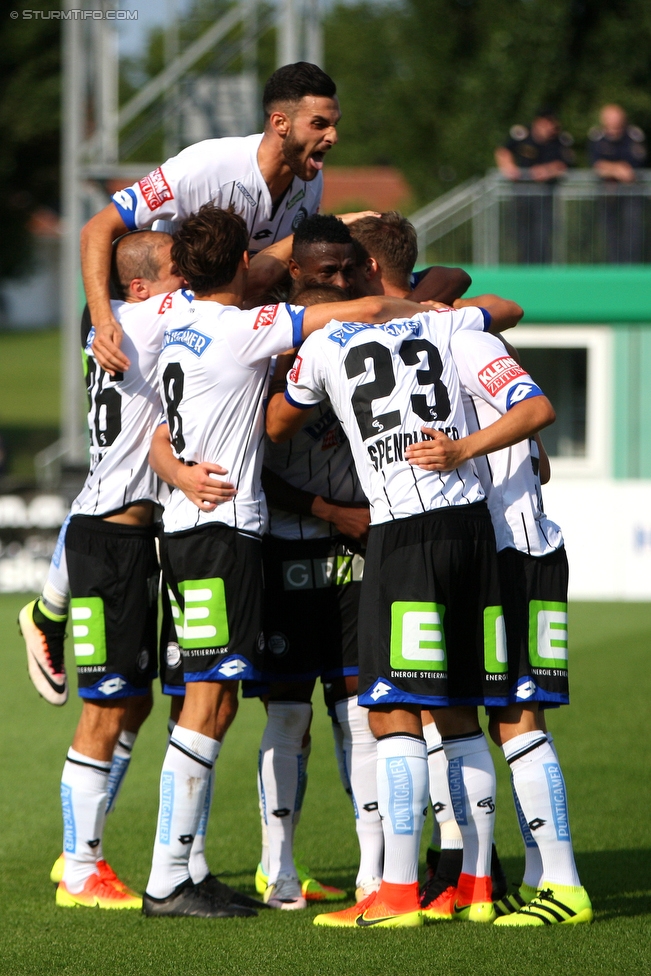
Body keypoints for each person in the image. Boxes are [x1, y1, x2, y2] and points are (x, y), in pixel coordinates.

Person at [143, 203, 428, 919]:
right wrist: (423, 312)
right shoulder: (243, 329)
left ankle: (178, 872)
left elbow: (154, 422)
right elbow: (350, 310)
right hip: (221, 534)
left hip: (191, 527)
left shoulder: (172, 321)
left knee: (217, 699)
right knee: (210, 702)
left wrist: (173, 472)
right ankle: (169, 879)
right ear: (245, 263)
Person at [266, 293, 559, 929]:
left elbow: (276, 426)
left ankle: (395, 895)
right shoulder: (446, 321)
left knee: (389, 708)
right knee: (458, 708)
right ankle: (477, 887)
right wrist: (462, 449)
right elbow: (508, 315)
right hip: (473, 528)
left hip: (404, 534)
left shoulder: (322, 345)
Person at [406, 337, 593, 927]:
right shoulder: (421, 339)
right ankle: (541, 879)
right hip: (484, 552)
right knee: (494, 715)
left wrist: (462, 450)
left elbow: (536, 409)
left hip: (518, 551)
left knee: (517, 715)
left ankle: (564, 885)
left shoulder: (463, 331)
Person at [43, 230, 184, 909]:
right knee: (105, 705)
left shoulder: (113, 321)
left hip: (122, 536)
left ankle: (80, 845)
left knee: (133, 699)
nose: (186, 282)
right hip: (108, 539)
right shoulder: (146, 319)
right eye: (175, 272)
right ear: (138, 289)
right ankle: (80, 868)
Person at [81, 62, 341, 375]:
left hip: (233, 342)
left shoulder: (312, 182)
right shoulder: (207, 166)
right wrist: (102, 316)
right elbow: (98, 227)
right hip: (169, 341)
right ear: (280, 122)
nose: (333, 136)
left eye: (334, 124)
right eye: (319, 124)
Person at [495, 110, 574, 264]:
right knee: (521, 234)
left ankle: (541, 267)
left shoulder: (560, 141)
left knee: (542, 235)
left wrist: (546, 171)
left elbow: (565, 164)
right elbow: (503, 151)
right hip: (521, 194)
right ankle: (523, 267)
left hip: (545, 195)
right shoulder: (522, 134)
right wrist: (509, 168)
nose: (549, 127)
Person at [589, 104, 647, 263]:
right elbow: (597, 165)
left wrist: (612, 169)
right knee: (610, 232)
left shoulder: (634, 136)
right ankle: (613, 264)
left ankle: (631, 265)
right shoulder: (597, 137)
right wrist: (617, 169)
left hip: (631, 195)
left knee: (632, 231)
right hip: (608, 195)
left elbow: (633, 168)